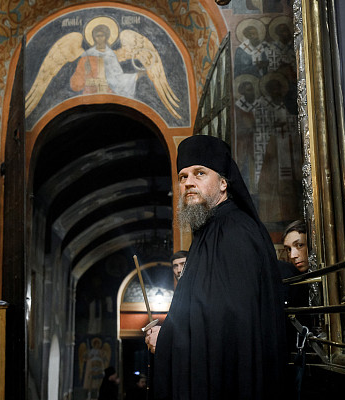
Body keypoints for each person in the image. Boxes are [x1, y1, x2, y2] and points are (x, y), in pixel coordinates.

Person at [144, 135, 286, 399]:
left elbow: (228, 326)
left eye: (199, 173)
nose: (188, 182)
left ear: (223, 183)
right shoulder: (209, 232)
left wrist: (166, 341)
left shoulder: (234, 232)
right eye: (183, 177)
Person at [70, 24, 139, 96]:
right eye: (97, 36)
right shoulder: (87, 54)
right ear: (94, 37)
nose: (100, 38)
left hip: (108, 91)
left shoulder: (111, 55)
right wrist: (86, 73)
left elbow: (117, 76)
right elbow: (78, 79)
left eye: (102, 36)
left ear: (106, 37)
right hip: (91, 92)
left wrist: (134, 77)